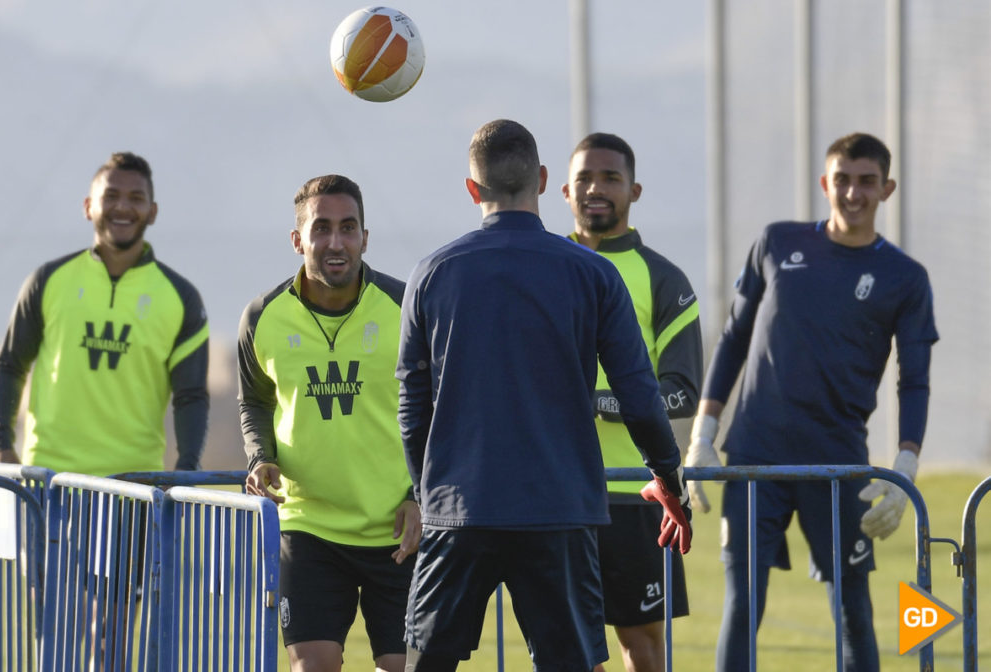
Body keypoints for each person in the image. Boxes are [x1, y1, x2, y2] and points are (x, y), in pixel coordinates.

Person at [396, 119, 692, 672]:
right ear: (543, 180)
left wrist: (429, 493)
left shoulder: (432, 274)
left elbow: (413, 408)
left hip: (459, 511)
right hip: (558, 510)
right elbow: (639, 395)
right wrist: (669, 481)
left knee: (427, 665)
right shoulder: (594, 274)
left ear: (471, 189)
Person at [685, 132, 938, 671]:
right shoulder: (777, 243)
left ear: (886, 188)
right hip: (753, 461)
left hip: (838, 465)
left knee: (853, 610)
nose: (853, 192)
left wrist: (907, 464)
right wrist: (703, 435)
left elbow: (913, 380)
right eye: (842, 180)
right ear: (825, 183)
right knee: (742, 604)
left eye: (866, 181)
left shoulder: (906, 279)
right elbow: (733, 339)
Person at [239, 174, 420, 672]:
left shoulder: (407, 308)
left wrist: (420, 497)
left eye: (348, 227)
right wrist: (261, 457)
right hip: (309, 529)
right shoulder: (263, 316)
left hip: (396, 533)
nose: (335, 242)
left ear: (365, 237)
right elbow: (253, 400)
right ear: (298, 239)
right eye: (321, 229)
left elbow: (442, 409)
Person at [562, 132, 703, 672]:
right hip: (557, 491)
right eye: (584, 179)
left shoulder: (665, 278)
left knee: (641, 648)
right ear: (564, 192)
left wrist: (596, 401)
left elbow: (681, 391)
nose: (596, 188)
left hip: (637, 496)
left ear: (635, 190)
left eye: (611, 178)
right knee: (566, 649)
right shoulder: (544, 267)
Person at [0, 151, 209, 475]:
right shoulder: (48, 280)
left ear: (152, 212)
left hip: (136, 488)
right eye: (110, 196)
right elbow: (10, 365)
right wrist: (1, 445)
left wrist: (186, 467)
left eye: (136, 198)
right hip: (50, 483)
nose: (122, 207)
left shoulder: (181, 297)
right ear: (88, 206)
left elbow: (190, 395)